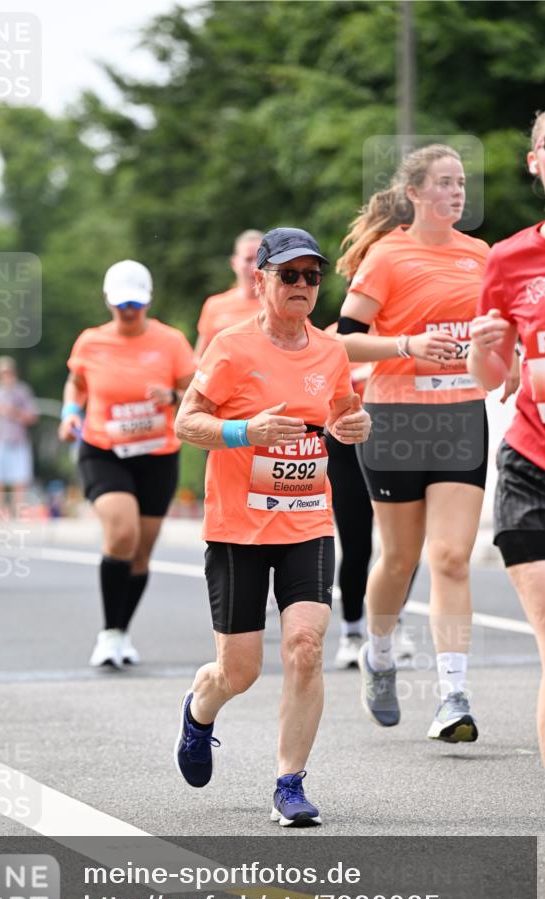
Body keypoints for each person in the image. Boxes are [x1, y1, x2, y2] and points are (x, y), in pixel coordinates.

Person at [174, 227, 371, 827]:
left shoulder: (330, 351)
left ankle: (290, 783)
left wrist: (352, 425)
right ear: (261, 279)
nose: (303, 286)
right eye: (290, 275)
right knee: (240, 669)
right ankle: (199, 711)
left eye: (313, 277)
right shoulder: (232, 347)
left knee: (306, 648)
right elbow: (187, 422)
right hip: (238, 526)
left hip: (307, 520)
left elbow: (341, 411)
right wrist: (245, 433)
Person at [335, 143, 518, 742]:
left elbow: (495, 335)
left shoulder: (481, 255)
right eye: (444, 182)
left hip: (460, 416)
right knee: (399, 557)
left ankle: (452, 695)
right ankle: (379, 651)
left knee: (450, 557)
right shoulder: (387, 256)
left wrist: (505, 358)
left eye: (462, 182)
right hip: (394, 421)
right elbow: (343, 341)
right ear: (415, 193)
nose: (458, 192)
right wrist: (406, 346)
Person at [467, 105, 545, 812]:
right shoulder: (508, 259)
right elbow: (491, 378)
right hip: (532, 469)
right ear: (535, 159)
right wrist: (478, 342)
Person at [58, 260, 195, 668]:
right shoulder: (91, 342)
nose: (129, 311)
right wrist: (70, 412)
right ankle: (107, 633)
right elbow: (77, 383)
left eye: (136, 303)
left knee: (141, 553)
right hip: (104, 450)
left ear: (148, 300)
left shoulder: (171, 342)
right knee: (122, 532)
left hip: (157, 454)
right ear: (108, 302)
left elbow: (196, 391)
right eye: (121, 305)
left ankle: (120, 633)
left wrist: (170, 397)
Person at [323, 344, 418, 668]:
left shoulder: (403, 328)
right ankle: (351, 633)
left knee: (403, 547)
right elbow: (317, 384)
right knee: (356, 545)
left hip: (399, 439)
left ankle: (395, 625)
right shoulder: (336, 338)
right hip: (346, 445)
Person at [194, 230, 263, 360]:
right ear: (234, 263)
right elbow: (200, 358)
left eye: (260, 260)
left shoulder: (281, 307)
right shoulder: (214, 305)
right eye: (248, 259)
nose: (254, 266)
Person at [0, 356, 38, 517]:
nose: (5, 376)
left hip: (18, 441)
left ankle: (18, 514)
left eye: (7, 372)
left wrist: (13, 412)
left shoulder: (22, 391)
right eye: (1, 373)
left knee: (19, 480)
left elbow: (32, 417)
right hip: (0, 440)